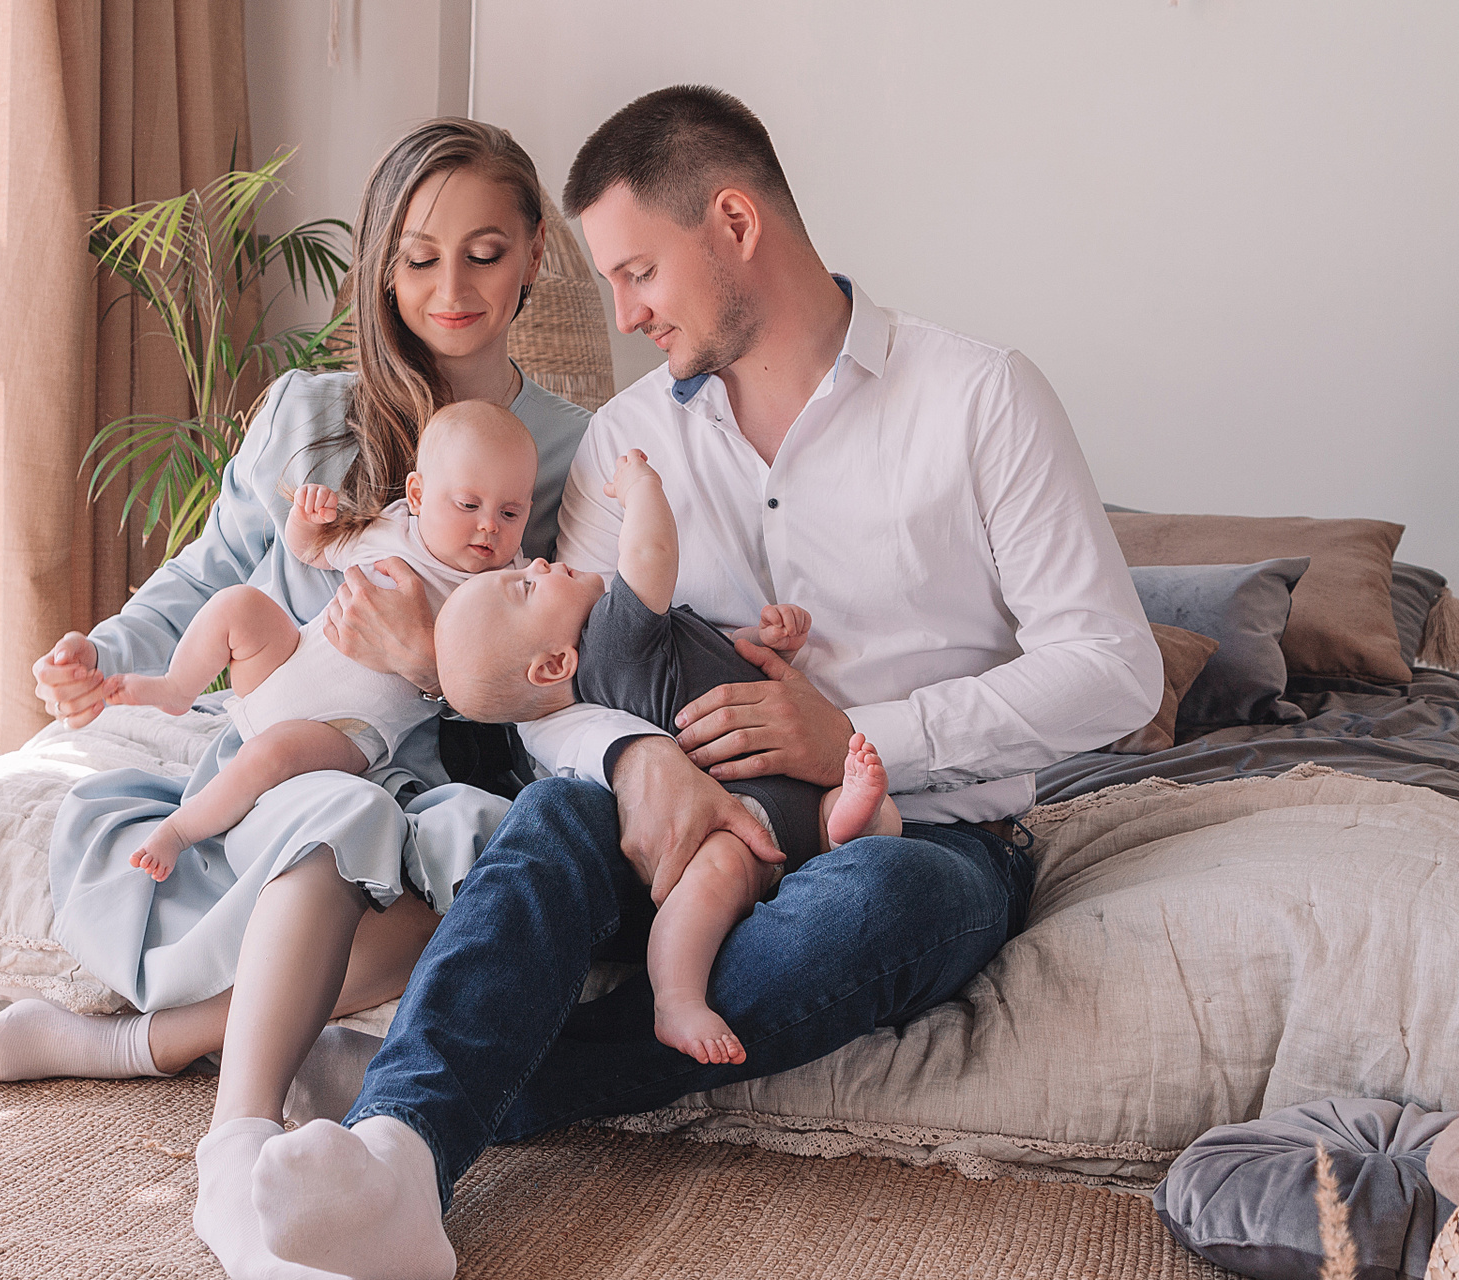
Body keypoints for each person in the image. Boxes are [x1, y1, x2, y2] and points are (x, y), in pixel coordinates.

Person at [243, 85, 1164, 1280]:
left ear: (734, 223)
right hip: (673, 827)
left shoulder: (980, 396)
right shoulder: (629, 441)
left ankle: (451, 1092)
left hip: (922, 831)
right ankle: (397, 1162)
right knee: (552, 818)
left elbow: (1115, 669)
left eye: (637, 273)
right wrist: (636, 758)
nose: (624, 313)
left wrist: (856, 736)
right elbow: (555, 687)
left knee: (878, 901)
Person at [0, 118, 591, 1280]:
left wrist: (430, 665)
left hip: (429, 766)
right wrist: (102, 655)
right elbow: (210, 578)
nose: (452, 290)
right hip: (281, 755)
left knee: (488, 893)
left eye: (485, 252)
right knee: (337, 816)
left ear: (535, 255)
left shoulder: (572, 451)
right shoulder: (312, 413)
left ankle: (134, 1046)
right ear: (381, 268)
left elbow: (566, 678)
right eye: (419, 257)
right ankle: (235, 1142)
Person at [434, 446, 901, 1066]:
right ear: (554, 665)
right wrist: (640, 489)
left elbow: (708, 660)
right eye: (526, 586)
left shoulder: (624, 649)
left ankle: (845, 824)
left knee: (879, 812)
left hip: (794, 790)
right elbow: (651, 554)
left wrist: (764, 644)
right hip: (742, 811)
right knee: (715, 875)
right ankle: (676, 997)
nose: (540, 562)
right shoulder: (612, 642)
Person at [106, 401, 539, 881]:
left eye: (510, 512)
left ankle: (179, 831)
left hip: (348, 729)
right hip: (282, 664)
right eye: (468, 505)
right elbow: (313, 551)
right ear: (417, 495)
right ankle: (176, 687)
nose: (489, 525)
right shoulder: (392, 529)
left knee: (269, 757)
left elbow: (496, 678)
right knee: (238, 605)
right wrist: (306, 521)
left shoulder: (505, 588)